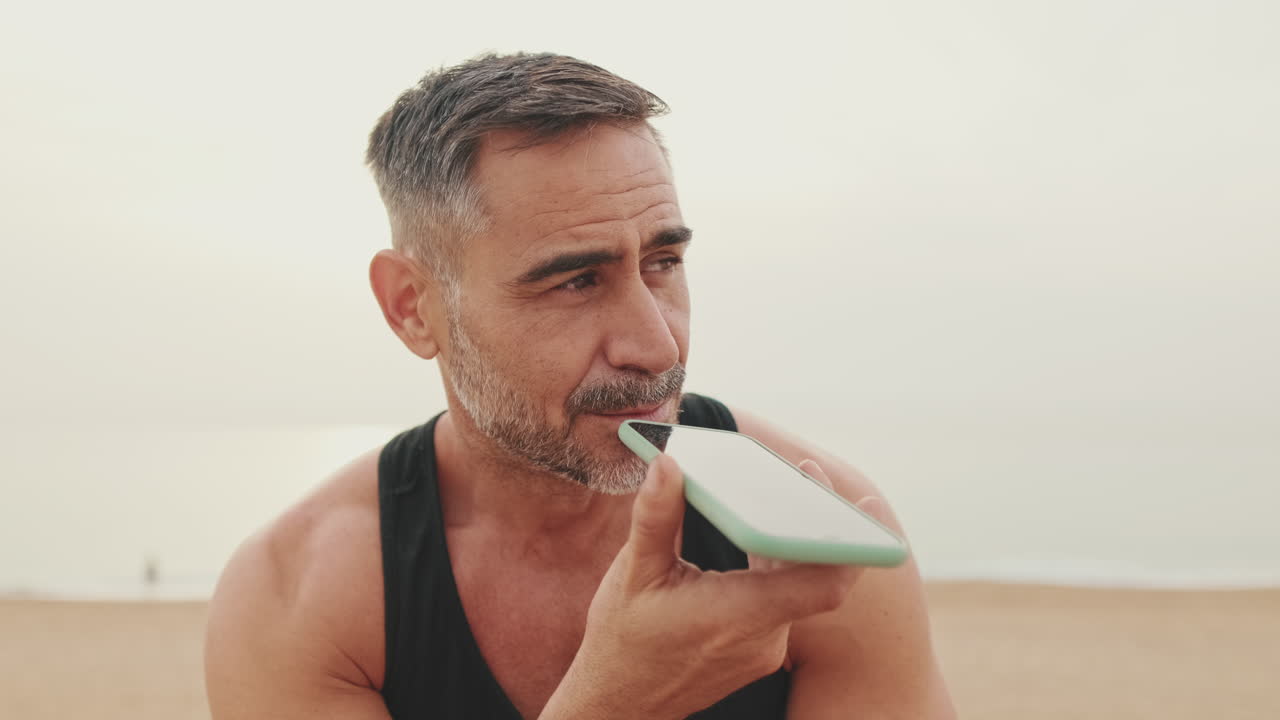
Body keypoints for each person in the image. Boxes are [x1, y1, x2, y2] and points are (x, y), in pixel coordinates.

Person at [204, 52, 956, 719]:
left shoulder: (824, 554)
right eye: (575, 281)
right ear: (414, 308)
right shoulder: (302, 599)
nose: (656, 344)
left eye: (662, 262)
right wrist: (612, 701)